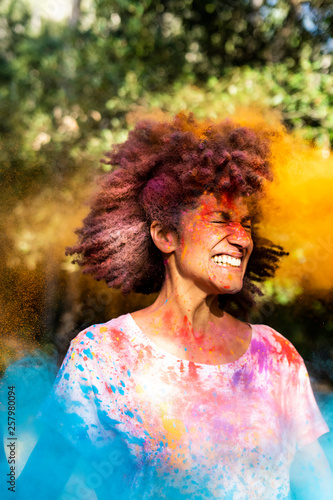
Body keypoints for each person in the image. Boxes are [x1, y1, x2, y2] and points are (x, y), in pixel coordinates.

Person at [18, 113, 332, 499]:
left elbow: (319, 488)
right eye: (220, 220)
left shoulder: (275, 356)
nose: (241, 240)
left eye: (246, 224)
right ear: (166, 236)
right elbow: (38, 487)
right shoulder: (104, 354)